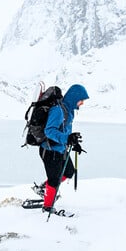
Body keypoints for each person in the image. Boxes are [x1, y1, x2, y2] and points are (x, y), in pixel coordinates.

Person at [36, 84, 89, 213]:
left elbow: (64, 131)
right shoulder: (58, 110)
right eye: (81, 99)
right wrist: (67, 139)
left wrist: (73, 142)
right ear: (74, 97)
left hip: (60, 149)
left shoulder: (69, 111)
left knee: (69, 172)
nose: (81, 103)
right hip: (49, 150)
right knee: (54, 180)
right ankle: (47, 208)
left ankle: (44, 189)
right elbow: (50, 131)